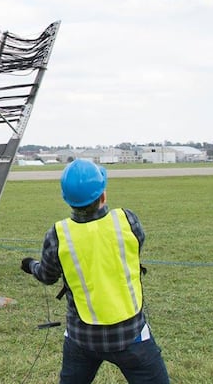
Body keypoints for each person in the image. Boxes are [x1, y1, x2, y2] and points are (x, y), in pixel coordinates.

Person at [21, 159, 169, 383]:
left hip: (82, 338)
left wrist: (31, 265)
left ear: (67, 200)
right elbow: (136, 244)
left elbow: (47, 276)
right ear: (103, 194)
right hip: (132, 334)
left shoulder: (59, 234)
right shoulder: (127, 220)